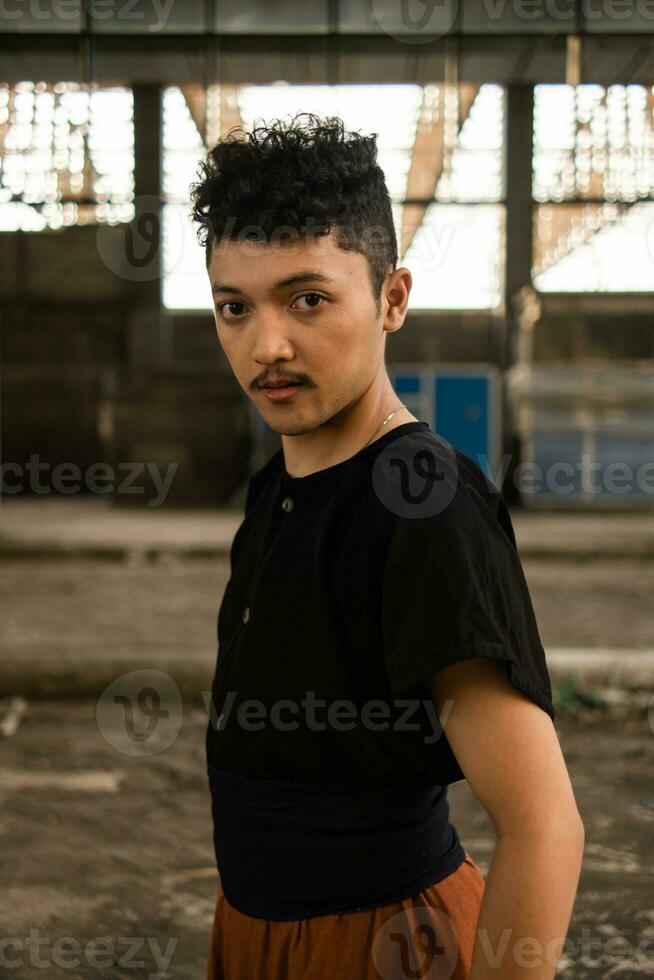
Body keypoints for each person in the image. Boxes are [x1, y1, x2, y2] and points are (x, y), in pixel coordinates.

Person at [190, 112, 585, 980]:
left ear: (393, 299)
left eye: (308, 299)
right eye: (234, 307)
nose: (268, 346)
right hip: (259, 931)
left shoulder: (424, 505)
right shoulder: (276, 488)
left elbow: (543, 824)